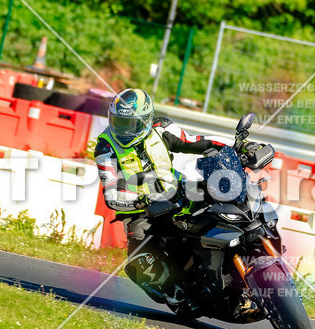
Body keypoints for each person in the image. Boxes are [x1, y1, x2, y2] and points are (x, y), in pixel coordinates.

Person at [94, 88, 246, 311]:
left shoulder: (161, 128)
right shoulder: (105, 147)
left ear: (146, 120)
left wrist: (238, 147)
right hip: (141, 212)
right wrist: (140, 201)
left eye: (131, 124)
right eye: (119, 122)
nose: (124, 130)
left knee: (226, 207)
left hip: (179, 192)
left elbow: (199, 142)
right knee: (139, 263)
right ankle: (175, 291)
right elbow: (111, 194)